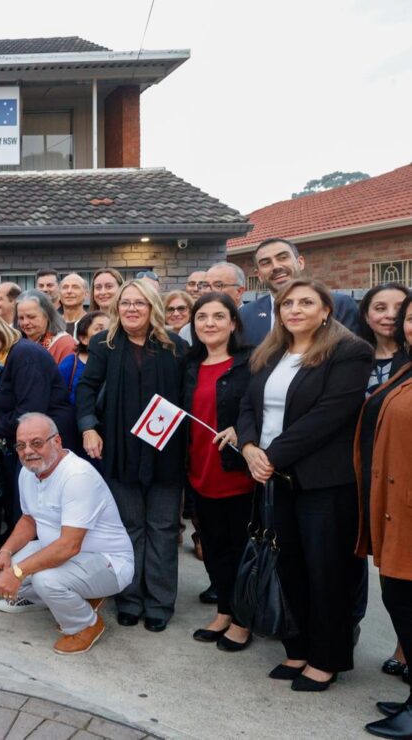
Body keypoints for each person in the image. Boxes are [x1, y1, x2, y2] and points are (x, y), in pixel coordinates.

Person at [237, 278, 372, 691]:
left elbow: (330, 415)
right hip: (272, 479)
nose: (295, 310)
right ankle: (296, 649)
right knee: (287, 566)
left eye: (306, 302)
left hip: (323, 483)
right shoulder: (270, 352)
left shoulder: (350, 352)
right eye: (287, 303)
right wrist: (247, 448)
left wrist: (271, 455)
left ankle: (326, 658)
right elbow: (247, 404)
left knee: (326, 572)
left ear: (326, 309)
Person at [77, 278, 188, 632]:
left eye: (140, 303)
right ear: (116, 308)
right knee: (129, 528)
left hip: (166, 450)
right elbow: (87, 387)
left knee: (163, 527)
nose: (131, 309)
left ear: (152, 306)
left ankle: (159, 602)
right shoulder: (103, 344)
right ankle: (129, 598)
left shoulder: (175, 346)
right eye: (125, 303)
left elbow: (188, 396)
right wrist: (88, 426)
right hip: (120, 450)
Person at [0, 414, 134, 655]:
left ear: (56, 441)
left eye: (37, 443)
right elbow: (28, 519)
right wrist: (4, 553)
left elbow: (69, 546)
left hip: (108, 562)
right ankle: (73, 598)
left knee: (45, 580)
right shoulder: (29, 471)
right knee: (8, 566)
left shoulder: (77, 476)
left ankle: (86, 624)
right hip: (65, 552)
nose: (28, 452)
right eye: (21, 445)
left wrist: (19, 572)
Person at [181, 292, 255, 652]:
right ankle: (224, 610)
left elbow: (263, 410)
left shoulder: (250, 363)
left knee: (241, 551)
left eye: (218, 316)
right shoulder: (189, 364)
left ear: (233, 322)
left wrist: (244, 431)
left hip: (236, 475)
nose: (209, 323)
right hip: (199, 472)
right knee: (213, 548)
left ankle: (243, 619)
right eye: (202, 317)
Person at [355, 295, 412, 737]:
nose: (409, 326)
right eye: (411, 319)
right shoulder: (406, 371)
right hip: (393, 505)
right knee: (398, 597)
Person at [0, 311, 76, 526]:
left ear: (0, 331)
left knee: (34, 515)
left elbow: (31, 411)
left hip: (47, 444)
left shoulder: (24, 354)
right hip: (20, 444)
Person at [240, 238, 362, 344]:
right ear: (259, 275)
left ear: (300, 263)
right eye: (266, 263)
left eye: (283, 258)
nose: (276, 266)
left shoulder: (339, 305)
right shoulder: (245, 315)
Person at [359, 283, 409, 395]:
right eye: (380, 308)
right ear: (366, 316)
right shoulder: (354, 359)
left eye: (401, 309)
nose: (391, 315)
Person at [58, 311, 108, 407]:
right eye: (100, 328)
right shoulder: (70, 364)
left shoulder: (117, 361)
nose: (107, 333)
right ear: (83, 338)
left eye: (111, 328)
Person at [16, 290, 75, 364]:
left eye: (31, 317)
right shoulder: (14, 342)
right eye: (21, 318)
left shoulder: (65, 344)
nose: (25, 322)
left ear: (47, 315)